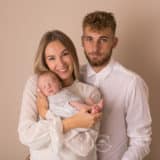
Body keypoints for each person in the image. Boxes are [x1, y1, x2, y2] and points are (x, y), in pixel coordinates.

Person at [18, 30, 102, 160]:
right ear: (45, 62)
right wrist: (71, 123)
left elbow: (85, 147)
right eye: (51, 58)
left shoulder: (90, 93)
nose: (61, 63)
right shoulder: (37, 85)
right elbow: (26, 135)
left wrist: (45, 114)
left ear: (73, 55)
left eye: (65, 54)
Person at [80, 11, 152, 160]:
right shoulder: (74, 77)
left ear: (115, 42)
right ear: (82, 41)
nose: (95, 47)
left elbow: (141, 140)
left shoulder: (132, 83)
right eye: (89, 39)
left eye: (103, 39)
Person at [37, 70, 104, 118]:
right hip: (67, 109)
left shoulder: (64, 90)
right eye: (44, 87)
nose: (48, 87)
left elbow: (70, 95)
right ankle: (91, 108)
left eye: (51, 82)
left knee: (88, 99)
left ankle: (94, 107)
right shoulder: (47, 99)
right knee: (74, 103)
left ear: (59, 83)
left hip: (77, 103)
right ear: (41, 92)